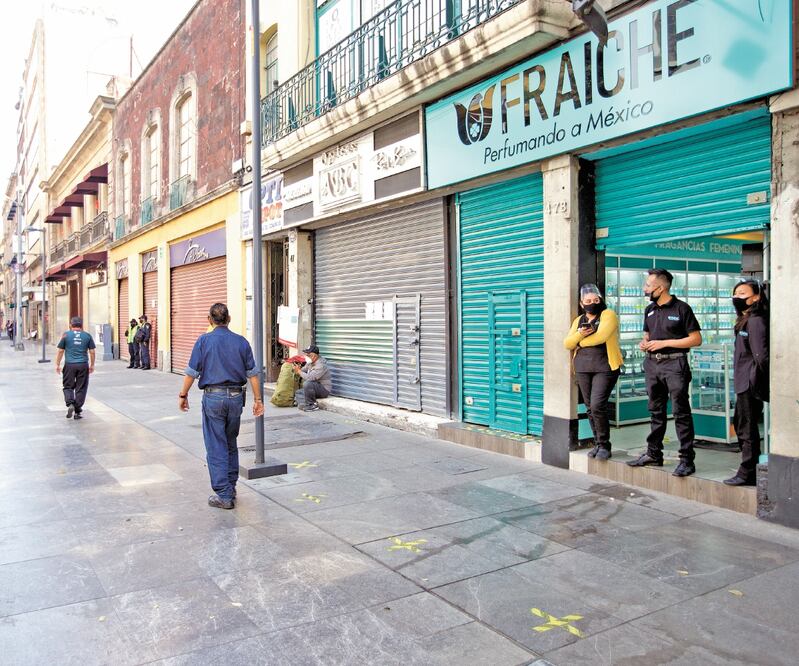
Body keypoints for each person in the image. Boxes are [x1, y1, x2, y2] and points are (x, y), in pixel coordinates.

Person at [178, 303, 264, 509]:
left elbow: (192, 372)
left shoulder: (204, 341)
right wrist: (258, 400)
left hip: (213, 398)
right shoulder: (241, 342)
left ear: (209, 320)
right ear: (229, 319)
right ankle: (231, 485)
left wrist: (183, 394)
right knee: (230, 442)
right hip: (236, 398)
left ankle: (224, 495)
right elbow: (253, 373)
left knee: (216, 445)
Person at [628, 268, 702, 477]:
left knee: (681, 412)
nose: (645, 289)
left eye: (648, 285)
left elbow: (696, 339)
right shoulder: (649, 309)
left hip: (675, 365)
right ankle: (654, 454)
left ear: (660, 288)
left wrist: (664, 343)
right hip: (652, 365)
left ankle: (687, 460)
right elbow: (647, 335)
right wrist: (645, 343)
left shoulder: (682, 309)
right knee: (655, 411)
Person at [563, 284, 623, 460]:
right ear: (582, 303)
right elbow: (567, 343)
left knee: (598, 405)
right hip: (583, 368)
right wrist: (579, 335)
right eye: (588, 301)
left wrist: (580, 341)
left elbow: (601, 336)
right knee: (590, 408)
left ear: (601, 300)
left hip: (605, 367)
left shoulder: (608, 315)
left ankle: (605, 445)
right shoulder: (579, 320)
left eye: (596, 300)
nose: (592, 303)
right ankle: (598, 443)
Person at [725, 280, 769, 486]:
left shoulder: (756, 320)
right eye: (735, 293)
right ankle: (747, 469)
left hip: (750, 382)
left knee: (747, 428)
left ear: (756, 297)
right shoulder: (745, 319)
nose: (737, 297)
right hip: (743, 381)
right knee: (742, 425)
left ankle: (748, 472)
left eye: (743, 293)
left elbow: (761, 356)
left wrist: (756, 380)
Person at [55, 316, 96, 420]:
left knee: (68, 386)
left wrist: (57, 364)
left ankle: (70, 404)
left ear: (70, 325)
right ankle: (77, 411)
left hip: (70, 365)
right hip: (83, 364)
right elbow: (92, 351)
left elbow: (60, 350)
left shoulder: (66, 335)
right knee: (81, 388)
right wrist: (92, 365)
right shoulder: (87, 336)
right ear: (81, 326)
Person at [293, 344, 332, 412]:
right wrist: (298, 368)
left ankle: (312, 405)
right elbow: (304, 369)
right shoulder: (310, 362)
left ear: (315, 355)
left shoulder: (321, 365)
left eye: (308, 354)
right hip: (314, 387)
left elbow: (310, 378)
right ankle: (304, 404)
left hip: (324, 390)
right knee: (299, 392)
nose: (306, 356)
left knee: (307, 384)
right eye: (306, 354)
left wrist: (299, 372)